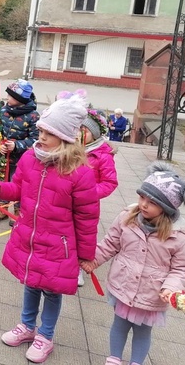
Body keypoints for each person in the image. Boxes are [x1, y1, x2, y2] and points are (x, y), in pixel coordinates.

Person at [0, 93, 99, 364]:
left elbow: (87, 216)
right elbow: (19, 189)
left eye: (49, 132)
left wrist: (85, 255)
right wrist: (1, 189)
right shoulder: (29, 159)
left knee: (51, 290)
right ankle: (27, 327)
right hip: (30, 238)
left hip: (58, 245)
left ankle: (45, 336)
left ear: (64, 136)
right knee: (30, 283)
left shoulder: (79, 172)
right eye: (41, 131)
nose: (42, 136)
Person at [81, 163, 185, 365]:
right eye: (142, 197)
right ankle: (114, 359)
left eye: (152, 202)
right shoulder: (126, 218)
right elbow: (111, 243)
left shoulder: (178, 236)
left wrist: (170, 288)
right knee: (119, 325)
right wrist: (94, 261)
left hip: (152, 294)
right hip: (124, 285)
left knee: (142, 332)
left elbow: (181, 268)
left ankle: (136, 362)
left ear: (166, 208)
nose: (144, 204)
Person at [0, 79, 40, 226]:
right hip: (4, 157)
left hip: (22, 160)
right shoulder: (3, 111)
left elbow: (36, 139)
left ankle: (18, 210)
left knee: (19, 183)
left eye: (10, 96)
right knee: (2, 180)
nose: (7, 98)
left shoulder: (33, 116)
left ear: (19, 99)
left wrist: (17, 145)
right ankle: (1, 208)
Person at [77, 107, 118, 287]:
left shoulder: (102, 155)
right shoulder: (71, 149)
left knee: (83, 236)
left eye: (83, 131)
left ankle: (79, 268)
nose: (79, 134)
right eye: (77, 130)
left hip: (87, 205)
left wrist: (90, 193)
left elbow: (110, 182)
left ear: (93, 133)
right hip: (68, 201)